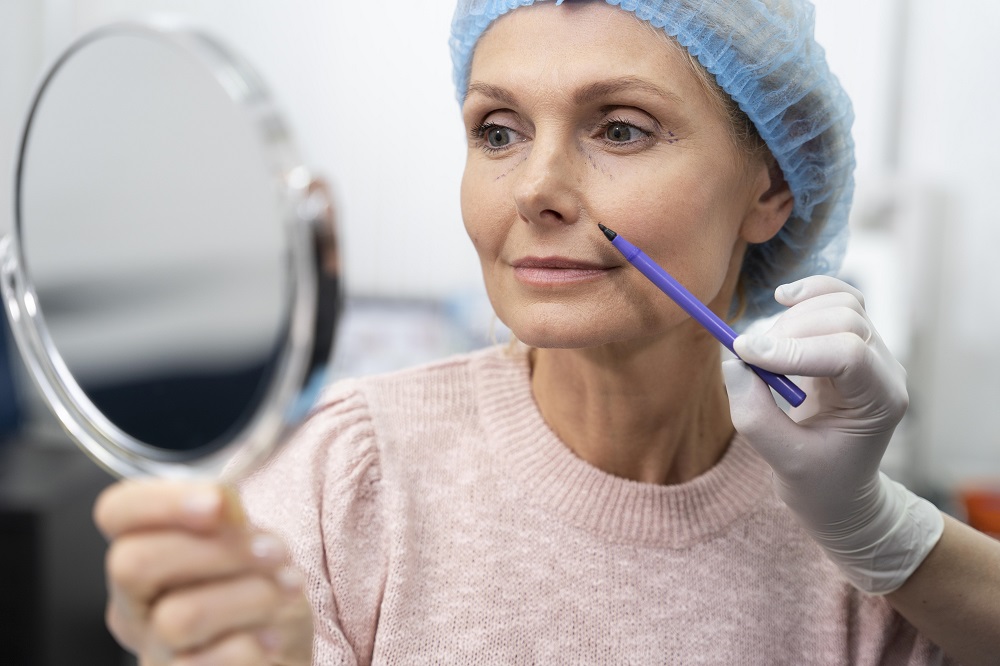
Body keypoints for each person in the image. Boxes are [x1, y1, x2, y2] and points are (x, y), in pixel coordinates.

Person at [93, 1, 1000, 663]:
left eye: (620, 128)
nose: (535, 188)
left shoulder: (857, 539)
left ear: (771, 190)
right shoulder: (348, 475)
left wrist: (880, 533)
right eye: (498, 132)